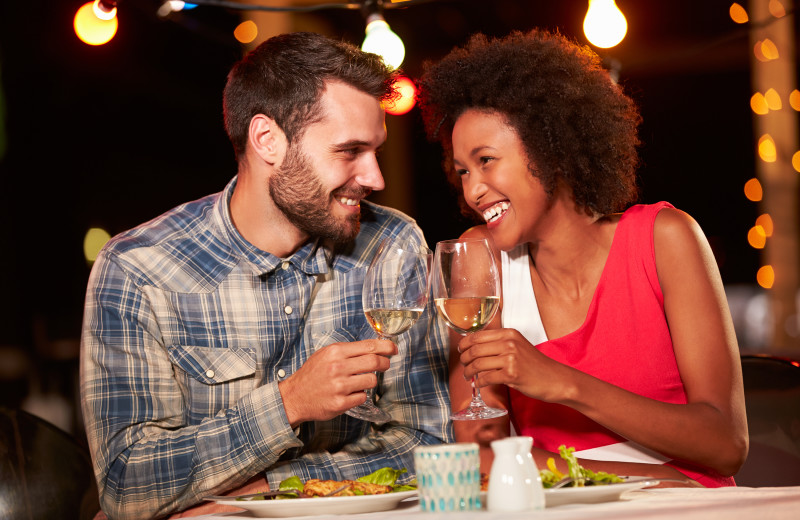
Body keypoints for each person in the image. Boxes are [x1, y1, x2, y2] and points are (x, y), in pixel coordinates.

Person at [80, 32, 452, 519]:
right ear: (267, 140)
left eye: (376, 151)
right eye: (350, 151)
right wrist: (289, 403)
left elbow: (429, 443)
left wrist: (267, 492)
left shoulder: (393, 244)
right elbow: (127, 484)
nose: (375, 177)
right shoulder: (138, 268)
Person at [417, 29, 748, 488]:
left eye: (487, 160)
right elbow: (481, 459)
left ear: (551, 149)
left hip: (692, 509)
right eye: (462, 171)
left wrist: (562, 382)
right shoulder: (480, 257)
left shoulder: (664, 239)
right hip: (574, 506)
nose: (472, 190)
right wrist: (646, 479)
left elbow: (725, 444)